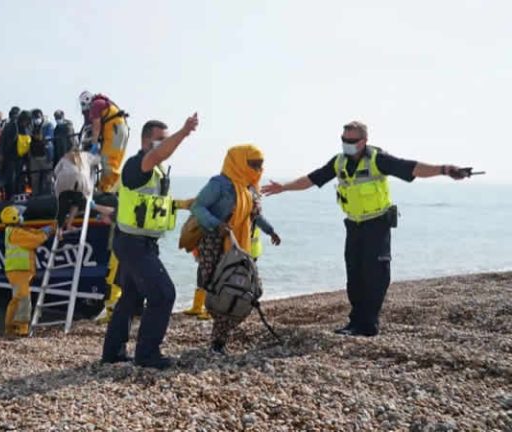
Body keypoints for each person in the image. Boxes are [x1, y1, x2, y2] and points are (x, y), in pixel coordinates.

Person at [262, 121, 469, 337]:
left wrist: (445, 169)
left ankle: (368, 324)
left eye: (351, 140)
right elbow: (312, 179)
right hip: (353, 225)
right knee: (355, 274)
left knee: (375, 274)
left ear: (364, 141)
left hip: (377, 224)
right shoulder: (339, 162)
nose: (347, 144)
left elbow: (412, 168)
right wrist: (283, 188)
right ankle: (355, 322)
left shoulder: (378, 159)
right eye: (344, 140)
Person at [101, 113, 199, 369]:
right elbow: (158, 155)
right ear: (146, 141)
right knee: (164, 294)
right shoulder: (138, 165)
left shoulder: (154, 171)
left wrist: (183, 204)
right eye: (160, 140)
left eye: (165, 140)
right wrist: (184, 132)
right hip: (134, 245)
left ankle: (113, 353)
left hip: (136, 242)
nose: (164, 144)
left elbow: (150, 206)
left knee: (130, 300)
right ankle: (147, 354)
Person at [188, 145, 278, 353]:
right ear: (238, 162)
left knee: (243, 289)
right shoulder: (219, 185)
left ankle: (219, 338)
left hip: (241, 245)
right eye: (253, 164)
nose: (258, 169)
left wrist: (271, 231)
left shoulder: (250, 188)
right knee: (217, 288)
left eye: (260, 165)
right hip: (216, 243)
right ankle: (217, 340)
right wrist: (216, 224)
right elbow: (198, 206)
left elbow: (254, 215)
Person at [0, 205, 54, 337]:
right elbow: (35, 239)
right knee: (24, 298)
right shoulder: (16, 233)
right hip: (18, 271)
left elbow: (32, 233)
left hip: (18, 271)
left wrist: (51, 227)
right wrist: (46, 232)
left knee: (17, 299)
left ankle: (10, 328)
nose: (22, 217)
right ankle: (21, 329)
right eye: (20, 215)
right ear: (14, 218)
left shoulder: (15, 231)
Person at [53, 145, 115, 239]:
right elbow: (98, 159)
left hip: (63, 180)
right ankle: (69, 224)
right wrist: (97, 152)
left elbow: (56, 171)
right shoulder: (86, 155)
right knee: (77, 202)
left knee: (62, 205)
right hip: (80, 181)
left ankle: (59, 230)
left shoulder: (65, 157)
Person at [78, 91, 129, 192]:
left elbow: (96, 126)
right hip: (120, 130)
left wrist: (94, 143)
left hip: (114, 130)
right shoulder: (104, 103)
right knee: (114, 162)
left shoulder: (96, 105)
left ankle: (111, 190)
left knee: (107, 161)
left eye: (83, 104)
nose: (83, 107)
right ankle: (105, 188)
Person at [0, 110, 32, 198]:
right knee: (10, 179)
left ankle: (18, 194)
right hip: (10, 157)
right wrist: (1, 154)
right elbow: (3, 140)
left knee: (19, 178)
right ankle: (10, 196)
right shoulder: (12, 126)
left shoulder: (27, 129)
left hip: (20, 157)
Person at [29, 109, 55, 196]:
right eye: (34, 118)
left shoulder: (48, 126)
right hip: (34, 157)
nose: (36, 120)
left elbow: (48, 139)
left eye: (38, 117)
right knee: (35, 179)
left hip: (45, 156)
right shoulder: (30, 126)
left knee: (48, 178)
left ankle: (49, 194)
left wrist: (41, 138)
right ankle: (35, 196)